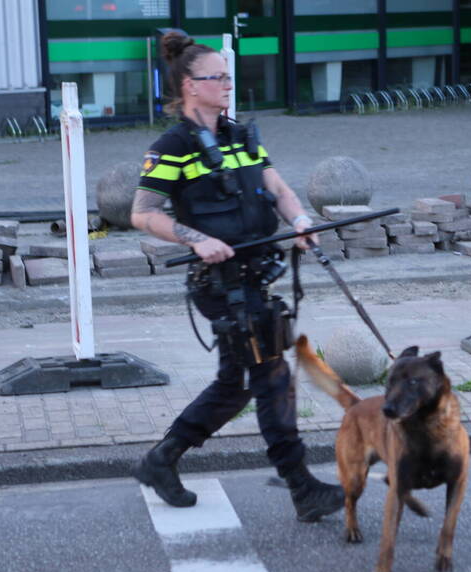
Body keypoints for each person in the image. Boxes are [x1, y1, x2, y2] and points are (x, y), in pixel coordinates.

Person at [128, 30, 343, 522]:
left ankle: (160, 460)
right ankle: (300, 486)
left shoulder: (241, 136)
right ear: (189, 85)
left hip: (255, 274)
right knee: (271, 376)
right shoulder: (174, 145)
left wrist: (301, 222)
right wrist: (194, 238)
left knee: (235, 383)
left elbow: (280, 188)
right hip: (219, 285)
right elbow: (142, 213)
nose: (227, 84)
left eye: (228, 76)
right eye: (217, 77)